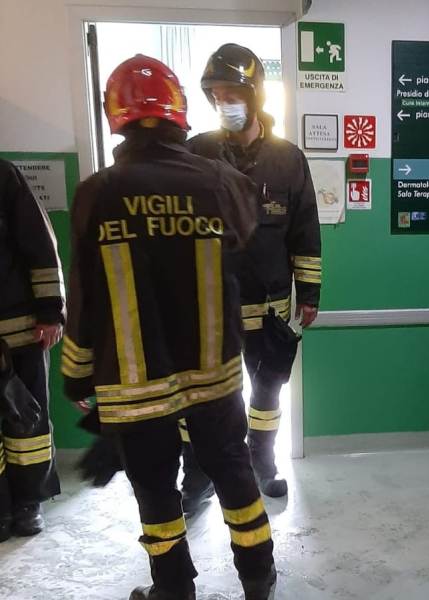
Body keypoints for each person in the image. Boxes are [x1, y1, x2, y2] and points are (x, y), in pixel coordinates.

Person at [62, 54, 277, 600]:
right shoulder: (222, 182)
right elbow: (247, 233)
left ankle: (174, 588)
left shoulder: (95, 193)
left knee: (156, 489)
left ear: (116, 116)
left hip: (133, 383)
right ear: (179, 112)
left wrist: (77, 377)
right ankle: (259, 577)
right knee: (234, 474)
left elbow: (83, 298)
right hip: (214, 376)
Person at [181, 43, 320, 509]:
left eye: (234, 93)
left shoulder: (288, 159)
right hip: (210, 309)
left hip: (270, 306)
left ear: (255, 94)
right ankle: (197, 474)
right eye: (218, 95)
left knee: (267, 391)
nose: (226, 103)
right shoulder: (195, 152)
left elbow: (305, 230)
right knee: (207, 396)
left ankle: (263, 462)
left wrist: (310, 293)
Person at [0, 158, 63, 539]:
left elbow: (40, 246)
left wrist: (51, 312)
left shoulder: (4, 176)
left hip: (20, 329)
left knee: (29, 422)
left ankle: (29, 502)